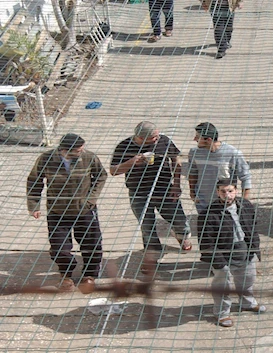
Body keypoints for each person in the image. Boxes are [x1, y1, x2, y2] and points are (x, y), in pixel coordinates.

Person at [27, 133, 106, 293]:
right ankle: (66, 275)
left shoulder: (89, 157)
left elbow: (101, 175)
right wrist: (34, 205)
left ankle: (89, 275)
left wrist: (91, 199)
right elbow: (34, 181)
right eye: (78, 150)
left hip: (84, 210)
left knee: (92, 244)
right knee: (59, 248)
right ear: (64, 150)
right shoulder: (46, 159)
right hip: (58, 211)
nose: (81, 152)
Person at [110, 121, 192, 256]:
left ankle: (181, 236)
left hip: (164, 188)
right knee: (147, 227)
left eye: (157, 135)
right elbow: (113, 171)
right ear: (140, 138)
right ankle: (153, 255)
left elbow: (176, 160)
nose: (157, 139)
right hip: (138, 191)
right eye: (153, 138)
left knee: (180, 220)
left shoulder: (164, 141)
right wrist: (131, 162)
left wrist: (176, 185)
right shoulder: (123, 146)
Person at [199, 179, 265, 328]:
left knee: (247, 280)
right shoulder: (208, 214)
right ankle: (222, 313)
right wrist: (219, 263)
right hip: (223, 255)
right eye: (223, 191)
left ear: (236, 191)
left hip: (244, 250)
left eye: (230, 191)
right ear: (217, 192)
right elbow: (206, 242)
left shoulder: (246, 206)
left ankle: (247, 303)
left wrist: (253, 248)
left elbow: (253, 227)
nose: (227, 195)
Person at [188, 122, 252, 213]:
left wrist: (244, 202)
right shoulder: (194, 153)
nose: (194, 139)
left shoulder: (233, 153)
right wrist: (192, 193)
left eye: (198, 137)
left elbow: (246, 177)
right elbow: (193, 173)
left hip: (226, 202)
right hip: (203, 203)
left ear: (209, 140)